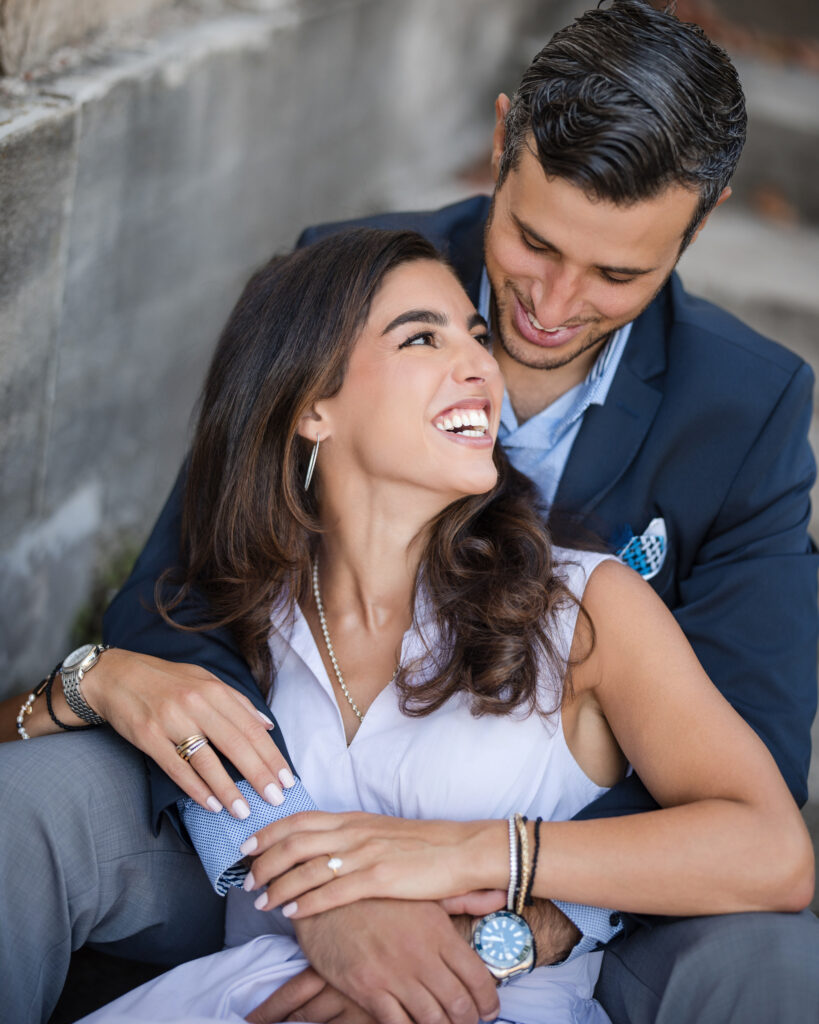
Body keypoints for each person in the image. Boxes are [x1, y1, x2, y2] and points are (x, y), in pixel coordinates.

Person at [1, 2, 817, 1023]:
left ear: (702, 220)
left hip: (576, 904)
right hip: (273, 835)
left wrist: (511, 902)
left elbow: (755, 759)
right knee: (29, 803)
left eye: (619, 274)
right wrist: (319, 885)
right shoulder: (354, 282)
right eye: (532, 240)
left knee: (780, 964)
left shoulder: (746, 409)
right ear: (499, 139)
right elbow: (175, 592)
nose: (553, 306)